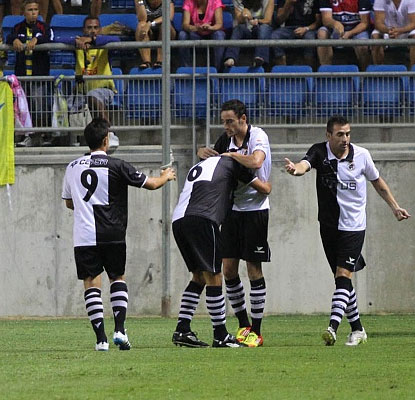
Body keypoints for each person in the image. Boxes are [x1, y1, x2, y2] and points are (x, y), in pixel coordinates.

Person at [284, 115, 410, 346]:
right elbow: (305, 164)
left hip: (353, 227)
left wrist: (395, 207)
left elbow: (378, 182)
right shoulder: (319, 152)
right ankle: (358, 329)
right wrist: (296, 169)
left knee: (343, 276)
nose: (345, 139)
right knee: (341, 281)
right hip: (329, 227)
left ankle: (332, 327)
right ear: (328, 135)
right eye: (340, 134)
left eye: (348, 134)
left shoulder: (361, 155)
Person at [61, 118, 176, 351]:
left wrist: (86, 206)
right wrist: (166, 176)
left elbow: (68, 202)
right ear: (105, 140)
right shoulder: (117, 165)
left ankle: (101, 339)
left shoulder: (72, 167)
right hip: (112, 232)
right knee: (117, 277)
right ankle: (120, 330)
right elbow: (151, 184)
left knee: (91, 283)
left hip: (85, 235)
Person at [171, 154, 271, 348]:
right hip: (203, 219)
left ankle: (182, 329)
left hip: (179, 220)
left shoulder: (201, 164)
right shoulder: (233, 164)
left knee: (198, 276)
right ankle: (220, 335)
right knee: (214, 276)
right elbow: (264, 189)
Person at [196, 99, 271, 348]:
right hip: (231, 210)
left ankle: (257, 331)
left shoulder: (258, 136)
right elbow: (216, 165)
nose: (226, 126)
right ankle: (243, 325)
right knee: (228, 270)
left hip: (255, 210)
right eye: (223, 122)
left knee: (253, 270)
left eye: (230, 121)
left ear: (243, 119)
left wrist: (231, 157)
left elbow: (256, 162)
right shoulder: (224, 141)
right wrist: (203, 154)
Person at [8, 0, 53, 147]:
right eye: (29, 10)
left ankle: (45, 136)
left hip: (39, 76)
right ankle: (27, 136)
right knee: (23, 107)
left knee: (40, 106)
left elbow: (49, 38)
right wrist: (14, 40)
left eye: (35, 10)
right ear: (23, 12)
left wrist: (37, 39)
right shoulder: (17, 27)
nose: (33, 12)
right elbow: (9, 37)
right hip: (22, 76)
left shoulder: (44, 27)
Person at [59, 16, 120, 125]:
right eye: (89, 28)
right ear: (84, 30)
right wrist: (77, 41)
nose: (92, 31)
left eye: (96, 28)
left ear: (100, 30)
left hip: (105, 90)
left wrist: (92, 40)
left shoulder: (106, 45)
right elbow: (57, 40)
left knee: (93, 95)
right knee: (67, 104)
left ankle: (108, 131)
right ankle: (75, 140)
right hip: (82, 91)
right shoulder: (78, 45)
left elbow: (117, 40)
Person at [317, 0, 371, 71]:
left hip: (356, 28)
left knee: (363, 45)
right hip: (334, 27)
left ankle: (365, 74)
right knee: (322, 33)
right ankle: (326, 71)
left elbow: (364, 23)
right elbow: (326, 19)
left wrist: (350, 33)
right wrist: (335, 23)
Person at [371, 0, 415, 67]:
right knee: (375, 36)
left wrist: (400, 31)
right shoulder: (379, 0)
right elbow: (378, 23)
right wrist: (389, 30)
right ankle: (378, 71)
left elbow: (414, 23)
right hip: (387, 30)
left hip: (407, 30)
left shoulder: (412, 0)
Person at [223, 0, 275, 68]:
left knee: (264, 28)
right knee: (238, 28)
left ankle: (260, 58)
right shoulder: (238, 0)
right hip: (246, 28)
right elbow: (239, 20)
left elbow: (268, 20)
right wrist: (243, 15)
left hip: (260, 26)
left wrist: (257, 21)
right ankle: (230, 58)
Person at [270, 0, 321, 67]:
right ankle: (282, 72)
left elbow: (318, 22)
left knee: (309, 38)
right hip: (290, 28)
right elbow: (279, 20)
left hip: (309, 28)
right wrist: (288, 3)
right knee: (275, 36)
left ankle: (310, 72)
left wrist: (306, 29)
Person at [177, 0, 226, 69]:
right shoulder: (188, 1)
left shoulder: (216, 1)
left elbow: (219, 24)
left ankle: (218, 70)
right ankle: (186, 69)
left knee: (219, 35)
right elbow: (185, 25)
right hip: (194, 34)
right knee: (182, 35)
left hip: (212, 33)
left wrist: (210, 28)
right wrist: (196, 28)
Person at [135, 0, 176, 69]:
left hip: (164, 30)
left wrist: (150, 24)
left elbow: (169, 17)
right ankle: (146, 62)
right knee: (141, 25)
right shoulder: (141, 1)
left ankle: (160, 61)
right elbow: (142, 19)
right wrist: (140, 3)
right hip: (149, 31)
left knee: (165, 25)